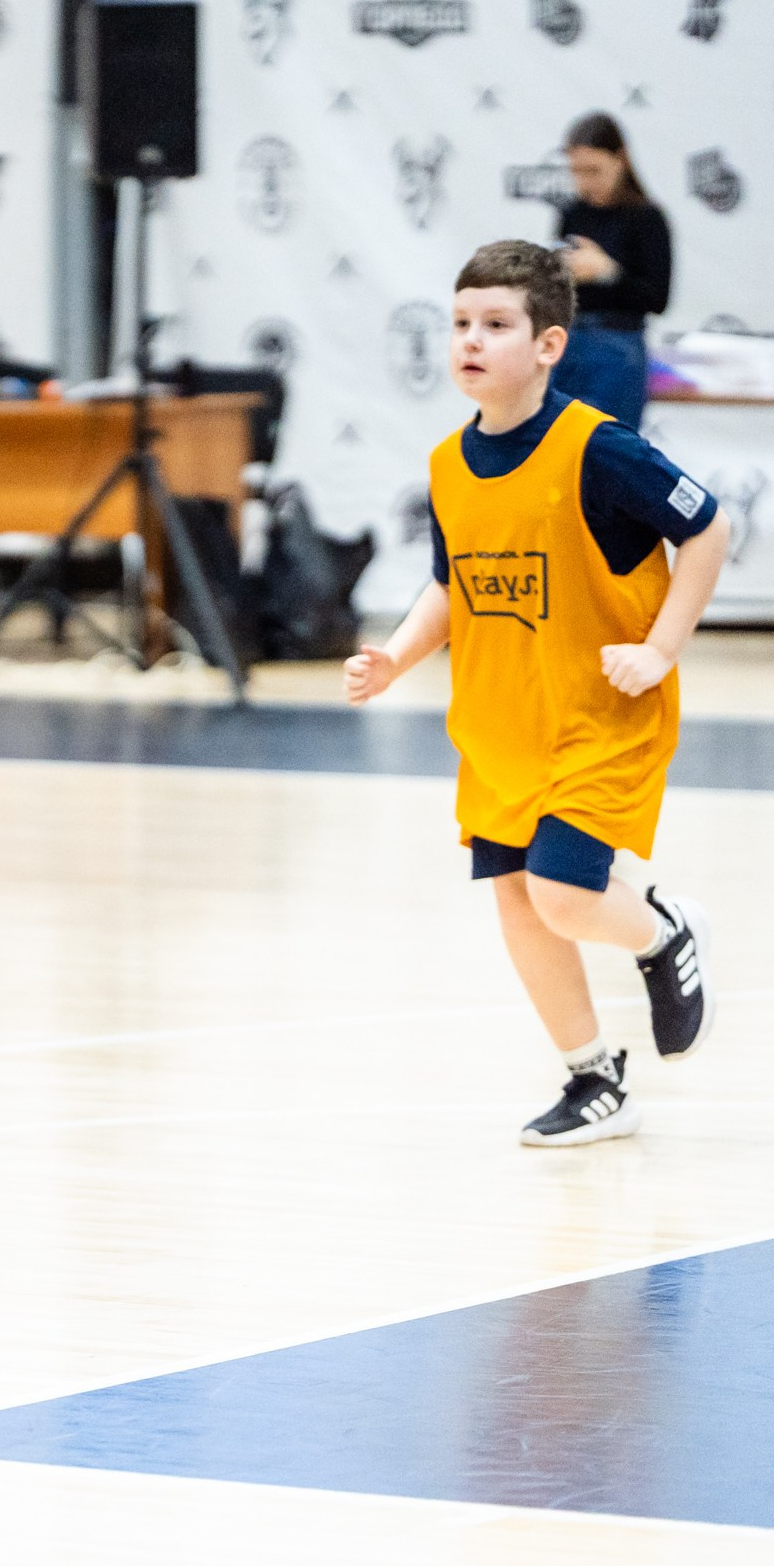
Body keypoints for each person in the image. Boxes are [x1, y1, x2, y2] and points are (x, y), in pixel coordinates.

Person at [345, 240, 729, 1146]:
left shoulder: (598, 447)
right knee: (518, 900)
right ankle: (595, 1077)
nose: (470, 341)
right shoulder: (448, 463)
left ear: (549, 344)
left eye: (496, 324)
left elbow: (707, 529)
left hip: (601, 717)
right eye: (460, 323)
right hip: (501, 726)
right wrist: (396, 656)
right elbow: (452, 583)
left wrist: (661, 648)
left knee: (561, 892)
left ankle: (663, 932)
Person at [551, 112, 672, 431]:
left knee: (610, 446)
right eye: (577, 172)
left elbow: (657, 298)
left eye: (594, 170)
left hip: (617, 346)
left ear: (620, 159)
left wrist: (608, 273)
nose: (585, 182)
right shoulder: (573, 213)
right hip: (568, 342)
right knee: (555, 444)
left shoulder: (647, 218)